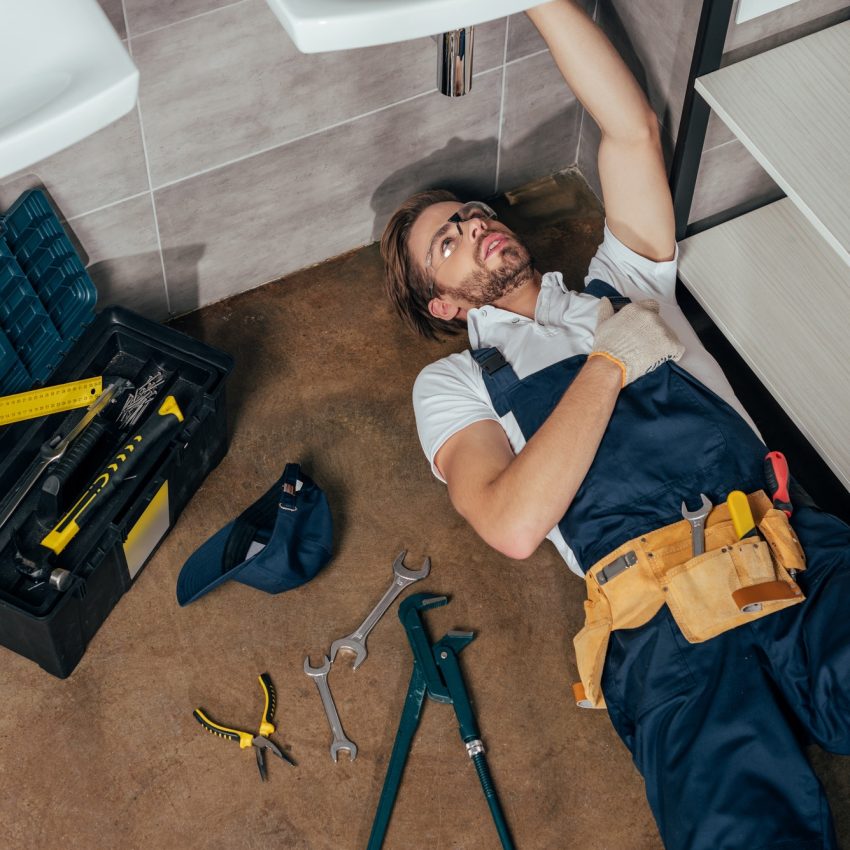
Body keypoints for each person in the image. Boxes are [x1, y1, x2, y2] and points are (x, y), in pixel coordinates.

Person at [379, 2, 850, 849]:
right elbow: (515, 522)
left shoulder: (624, 279)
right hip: (658, 628)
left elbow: (630, 128)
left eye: (471, 214)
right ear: (443, 304)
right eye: (446, 241)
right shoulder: (454, 386)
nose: (474, 226)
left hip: (782, 547)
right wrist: (609, 365)